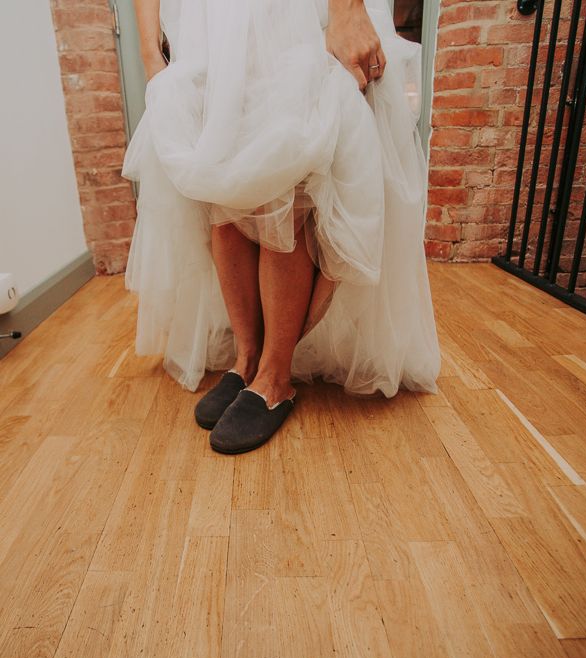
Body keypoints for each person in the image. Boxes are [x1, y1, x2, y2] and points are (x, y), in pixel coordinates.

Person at [123, 0, 440, 455]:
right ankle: (247, 359)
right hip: (206, 21)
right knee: (221, 185)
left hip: (284, 13)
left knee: (282, 174)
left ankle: (276, 375)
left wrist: (347, 9)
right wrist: (150, 51)